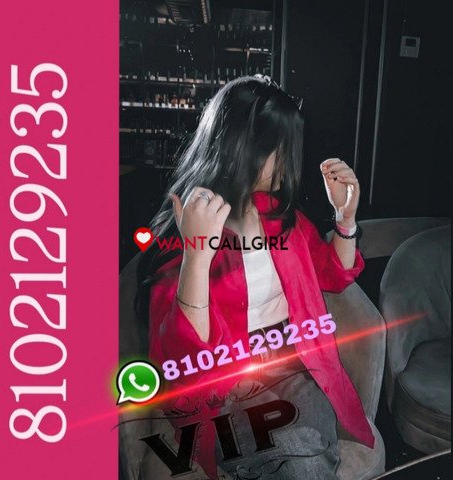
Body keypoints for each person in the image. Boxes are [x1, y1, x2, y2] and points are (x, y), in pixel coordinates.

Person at [134, 74, 374, 480]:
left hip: (295, 368)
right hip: (225, 387)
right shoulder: (191, 225)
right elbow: (181, 357)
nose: (290, 162)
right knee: (303, 452)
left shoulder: (283, 219)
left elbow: (332, 276)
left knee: (304, 450)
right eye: (282, 149)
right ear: (245, 147)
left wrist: (345, 218)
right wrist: (197, 258)